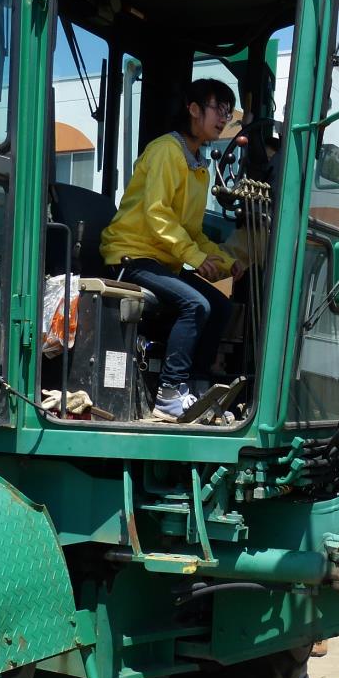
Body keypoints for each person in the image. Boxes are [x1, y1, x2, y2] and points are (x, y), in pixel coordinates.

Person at [101, 79, 246, 422]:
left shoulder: (198, 166)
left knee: (221, 307)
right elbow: (158, 214)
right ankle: (169, 393)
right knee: (195, 304)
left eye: (228, 112)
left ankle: (197, 388)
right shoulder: (167, 151)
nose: (223, 118)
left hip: (161, 260)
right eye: (218, 108)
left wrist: (227, 262)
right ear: (193, 109)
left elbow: (192, 232)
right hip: (131, 256)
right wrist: (195, 258)